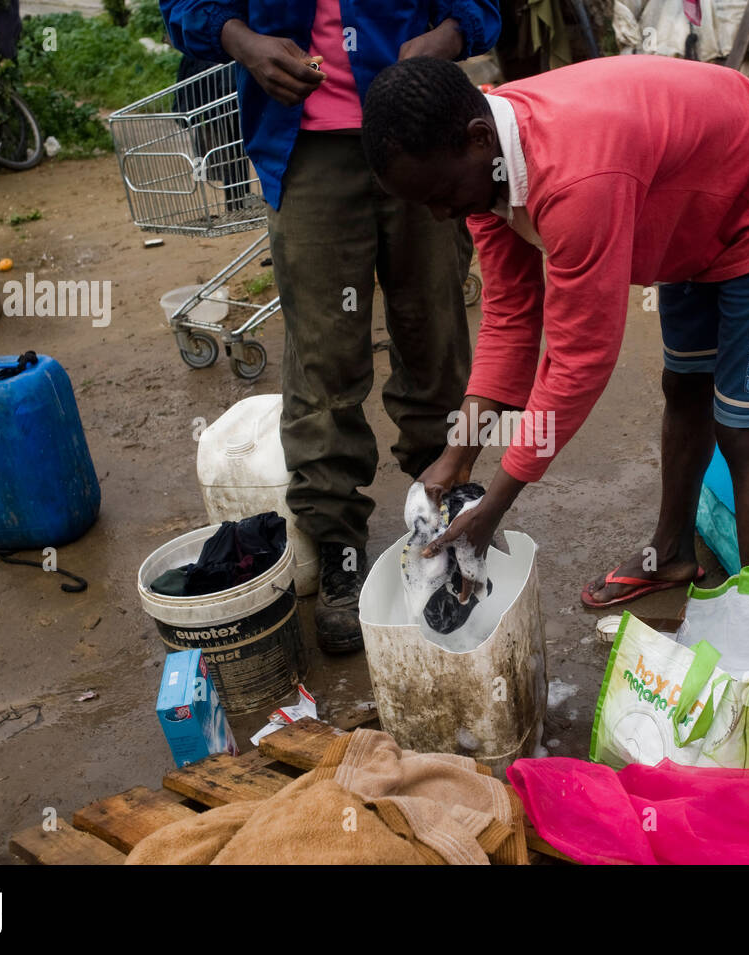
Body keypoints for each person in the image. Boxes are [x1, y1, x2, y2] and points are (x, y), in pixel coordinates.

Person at [360, 54, 749, 607]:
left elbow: (579, 362)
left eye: (439, 196)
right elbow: (510, 317)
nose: (441, 215)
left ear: (479, 139)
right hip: (685, 203)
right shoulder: (481, 167)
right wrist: (458, 455)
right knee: (685, 386)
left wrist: (495, 506)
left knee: (743, 432)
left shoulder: (576, 179)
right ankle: (671, 553)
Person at [160, 2, 502, 651]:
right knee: (323, 357)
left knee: (436, 341)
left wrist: (448, 34)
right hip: (306, 143)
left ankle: (447, 515)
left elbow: (482, 5)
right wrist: (243, 42)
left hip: (420, 127)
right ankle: (340, 547)